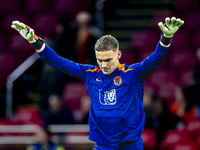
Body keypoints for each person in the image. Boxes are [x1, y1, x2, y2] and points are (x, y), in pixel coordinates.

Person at [11, 17, 184, 150]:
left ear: (118, 55)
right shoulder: (90, 74)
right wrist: (35, 41)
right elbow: (58, 62)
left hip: (130, 145)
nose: (103, 65)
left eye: (108, 59)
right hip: (102, 146)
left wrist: (166, 38)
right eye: (100, 60)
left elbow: (156, 59)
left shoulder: (133, 74)